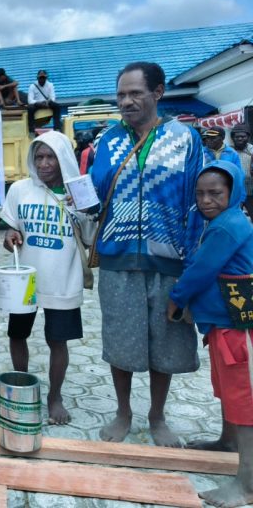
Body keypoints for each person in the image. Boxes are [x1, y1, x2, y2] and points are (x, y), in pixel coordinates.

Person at [91, 61, 202, 447]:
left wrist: (192, 266)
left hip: (169, 259)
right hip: (118, 258)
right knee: (121, 342)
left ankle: (157, 416)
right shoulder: (107, 141)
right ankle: (123, 412)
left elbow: (196, 203)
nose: (127, 101)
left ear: (158, 93)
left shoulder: (186, 139)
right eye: (121, 94)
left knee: (165, 345)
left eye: (135, 93)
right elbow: (93, 198)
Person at [167, 161, 253, 508]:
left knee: (245, 402)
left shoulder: (227, 226)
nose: (206, 200)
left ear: (233, 193)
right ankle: (227, 442)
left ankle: (247, 484)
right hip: (223, 324)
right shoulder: (220, 222)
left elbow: (201, 270)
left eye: (215, 193)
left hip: (238, 329)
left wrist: (176, 299)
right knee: (229, 392)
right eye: (200, 193)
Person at [1, 132, 94, 424]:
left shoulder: (79, 191)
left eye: (50, 156)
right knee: (17, 334)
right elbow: (11, 229)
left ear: (63, 157)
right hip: (25, 280)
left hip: (63, 278)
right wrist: (10, 236)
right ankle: (22, 386)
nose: (43, 163)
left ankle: (55, 396)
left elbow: (90, 239)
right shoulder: (20, 189)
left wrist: (83, 210)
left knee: (57, 340)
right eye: (38, 157)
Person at [230, 124, 253, 217]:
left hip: (251, 190)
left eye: (243, 136)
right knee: (234, 217)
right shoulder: (228, 151)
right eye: (237, 137)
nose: (240, 139)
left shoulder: (252, 150)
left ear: (248, 137)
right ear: (232, 138)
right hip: (234, 191)